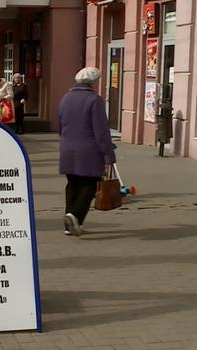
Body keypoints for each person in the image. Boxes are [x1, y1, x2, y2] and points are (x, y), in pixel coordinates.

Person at [57, 67, 117, 237]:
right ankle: (75, 216)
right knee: (90, 185)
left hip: (68, 149)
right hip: (89, 151)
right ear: (92, 82)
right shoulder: (94, 100)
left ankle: (70, 224)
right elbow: (101, 131)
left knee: (72, 184)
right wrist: (108, 155)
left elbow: (60, 127)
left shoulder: (65, 99)